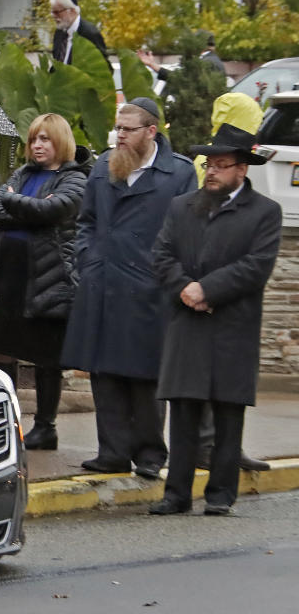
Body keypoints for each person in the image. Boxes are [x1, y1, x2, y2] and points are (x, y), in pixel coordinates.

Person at [61, 97, 198, 478]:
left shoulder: (179, 173)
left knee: (146, 375)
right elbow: (85, 221)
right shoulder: (104, 166)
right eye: (117, 128)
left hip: (151, 288)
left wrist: (167, 276)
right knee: (105, 375)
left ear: (150, 131)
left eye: (127, 129)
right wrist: (88, 260)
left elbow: (187, 232)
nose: (119, 135)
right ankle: (113, 452)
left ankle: (151, 454)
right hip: (103, 283)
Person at [149, 124, 281, 516]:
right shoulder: (182, 206)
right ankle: (176, 494)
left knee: (227, 414)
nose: (212, 172)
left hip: (232, 325)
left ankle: (221, 495)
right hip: (187, 323)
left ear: (242, 170)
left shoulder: (265, 213)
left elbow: (256, 267)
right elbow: (161, 255)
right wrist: (186, 289)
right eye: (210, 164)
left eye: (222, 165)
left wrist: (207, 290)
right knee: (185, 413)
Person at [0, 114, 89, 450]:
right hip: (11, 280)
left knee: (46, 359)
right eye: (34, 139)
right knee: (3, 353)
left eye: (45, 139)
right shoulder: (23, 173)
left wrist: (15, 203)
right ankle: (9, 422)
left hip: (48, 279)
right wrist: (30, 210)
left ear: (60, 142)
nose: (38, 145)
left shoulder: (74, 177)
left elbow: (55, 210)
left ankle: (46, 428)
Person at [137, 30, 225, 87]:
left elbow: (182, 80)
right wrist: (153, 65)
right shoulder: (212, 59)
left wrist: (153, 65)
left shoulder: (207, 62)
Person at [50, 0, 107, 65]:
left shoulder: (90, 34)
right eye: (52, 12)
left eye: (57, 12)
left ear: (72, 11)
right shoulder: (59, 32)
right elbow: (56, 64)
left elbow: (104, 68)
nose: (53, 16)